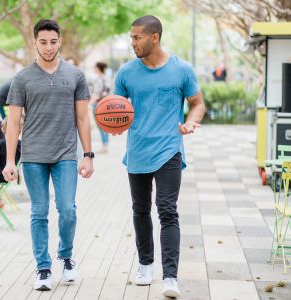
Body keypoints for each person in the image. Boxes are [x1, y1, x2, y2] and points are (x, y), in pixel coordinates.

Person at [114, 15, 206, 298]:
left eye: (137, 37)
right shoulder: (126, 73)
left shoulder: (182, 69)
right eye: (131, 38)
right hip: (138, 150)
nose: (132, 43)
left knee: (167, 209)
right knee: (140, 209)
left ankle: (170, 277)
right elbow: (116, 108)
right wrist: (113, 124)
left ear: (154, 37)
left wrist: (191, 122)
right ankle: (145, 265)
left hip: (169, 150)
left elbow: (198, 103)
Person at [2, 19, 94, 291]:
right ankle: (43, 268)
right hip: (33, 156)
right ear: (35, 42)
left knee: (67, 209)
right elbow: (14, 123)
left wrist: (87, 155)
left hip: (65, 153)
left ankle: (66, 257)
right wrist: (10, 161)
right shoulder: (22, 79)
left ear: (60, 41)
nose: (48, 47)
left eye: (53, 41)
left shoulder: (75, 75)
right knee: (39, 212)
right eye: (43, 42)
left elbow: (82, 118)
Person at [89, 62, 110, 153]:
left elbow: (97, 94)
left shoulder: (99, 79)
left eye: (95, 67)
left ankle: (104, 145)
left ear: (98, 68)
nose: (94, 69)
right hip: (106, 104)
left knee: (101, 125)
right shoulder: (106, 78)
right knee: (105, 125)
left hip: (98, 104)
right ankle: (105, 144)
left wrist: (89, 104)